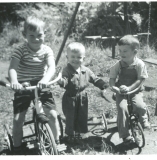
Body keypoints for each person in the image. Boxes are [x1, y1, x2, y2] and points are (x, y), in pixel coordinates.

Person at [8, 16, 60, 154]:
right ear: (25, 35)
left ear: (44, 34)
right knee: (18, 119)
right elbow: (13, 68)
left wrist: (45, 79)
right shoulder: (20, 50)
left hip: (41, 84)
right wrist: (15, 82)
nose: (36, 39)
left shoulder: (47, 50)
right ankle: (17, 147)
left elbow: (51, 67)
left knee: (53, 115)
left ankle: (57, 141)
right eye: (32, 35)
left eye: (40, 35)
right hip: (24, 85)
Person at [58, 42, 108, 144]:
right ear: (67, 57)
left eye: (79, 57)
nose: (76, 59)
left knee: (82, 115)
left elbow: (95, 79)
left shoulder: (86, 70)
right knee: (70, 117)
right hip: (70, 97)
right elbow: (65, 80)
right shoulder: (66, 70)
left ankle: (81, 134)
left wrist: (103, 85)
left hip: (83, 97)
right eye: (73, 57)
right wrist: (61, 81)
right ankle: (69, 135)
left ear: (83, 58)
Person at [109, 35, 150, 144]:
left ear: (134, 52)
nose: (121, 53)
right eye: (120, 50)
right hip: (121, 92)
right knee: (122, 109)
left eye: (125, 51)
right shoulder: (118, 65)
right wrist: (114, 87)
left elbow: (140, 80)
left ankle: (143, 120)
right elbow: (112, 78)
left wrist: (129, 88)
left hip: (135, 91)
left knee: (139, 106)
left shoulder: (139, 64)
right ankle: (125, 135)